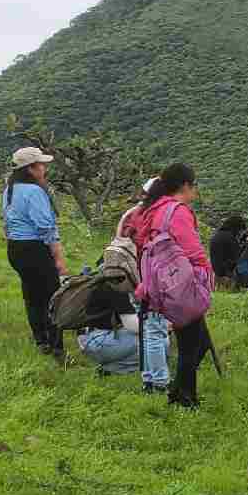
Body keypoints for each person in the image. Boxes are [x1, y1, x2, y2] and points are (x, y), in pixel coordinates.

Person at [132, 163, 212, 408]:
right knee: (191, 344)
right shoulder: (177, 211)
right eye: (193, 186)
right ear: (186, 186)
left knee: (192, 338)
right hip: (180, 283)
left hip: (156, 282)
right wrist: (207, 274)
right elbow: (191, 250)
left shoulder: (150, 210)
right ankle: (184, 398)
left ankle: (177, 390)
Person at [2, 147, 68, 359]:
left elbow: (7, 222)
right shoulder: (35, 192)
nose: (45, 168)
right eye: (41, 164)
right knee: (52, 296)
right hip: (35, 248)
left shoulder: (9, 190)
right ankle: (57, 347)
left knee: (31, 295)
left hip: (16, 248)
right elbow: (45, 228)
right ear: (31, 169)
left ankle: (41, 340)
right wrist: (58, 258)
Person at [119, 177, 170, 393]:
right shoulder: (158, 215)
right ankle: (159, 382)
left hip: (131, 276)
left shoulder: (131, 214)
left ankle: (148, 377)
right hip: (151, 278)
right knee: (156, 330)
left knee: (147, 328)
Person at [77, 281, 141, 375]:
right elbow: (132, 325)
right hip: (96, 340)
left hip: (90, 337)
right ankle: (114, 369)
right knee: (153, 341)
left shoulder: (106, 279)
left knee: (152, 344)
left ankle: (109, 369)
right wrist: (162, 327)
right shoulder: (116, 285)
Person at [209, 216, 248, 284]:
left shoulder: (218, 234)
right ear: (237, 228)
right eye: (240, 230)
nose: (240, 233)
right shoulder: (229, 238)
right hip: (226, 271)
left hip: (217, 269)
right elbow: (237, 256)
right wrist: (245, 245)